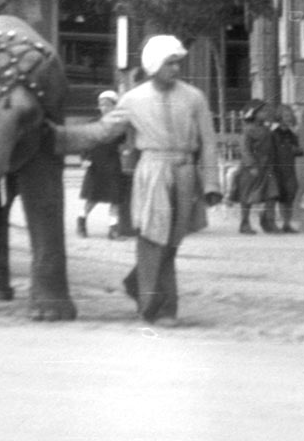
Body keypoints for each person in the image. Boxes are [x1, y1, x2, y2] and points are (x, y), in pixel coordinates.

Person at [101, 35, 221, 326]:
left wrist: (211, 183)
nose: (176, 69)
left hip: (184, 171)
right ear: (154, 65)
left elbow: (208, 141)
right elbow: (104, 131)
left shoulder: (194, 97)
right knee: (153, 237)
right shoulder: (132, 99)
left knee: (173, 240)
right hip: (152, 170)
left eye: (178, 62)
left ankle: (138, 285)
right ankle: (159, 307)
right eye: (170, 63)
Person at [76, 88, 132, 238]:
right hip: (95, 163)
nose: (104, 108)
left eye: (108, 104)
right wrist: (84, 159)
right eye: (101, 105)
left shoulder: (119, 125)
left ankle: (113, 229)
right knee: (93, 197)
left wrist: (125, 152)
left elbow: (124, 142)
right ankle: (81, 221)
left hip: (112, 163)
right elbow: (84, 143)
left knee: (115, 197)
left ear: (114, 106)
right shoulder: (93, 123)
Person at [235, 101, 278, 234]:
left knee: (272, 194)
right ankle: (245, 223)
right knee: (247, 196)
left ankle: (268, 221)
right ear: (253, 113)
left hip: (267, 167)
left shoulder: (267, 129)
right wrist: (251, 165)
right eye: (262, 111)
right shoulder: (248, 129)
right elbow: (244, 149)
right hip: (251, 168)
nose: (265, 114)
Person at [267, 103, 303, 234]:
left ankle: (287, 223)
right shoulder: (273, 134)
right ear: (280, 117)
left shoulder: (291, 134)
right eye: (286, 115)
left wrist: (295, 149)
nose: (288, 118)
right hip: (277, 168)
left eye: (290, 115)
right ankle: (273, 222)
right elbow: (270, 151)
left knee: (290, 194)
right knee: (278, 195)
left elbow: (299, 150)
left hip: (289, 168)